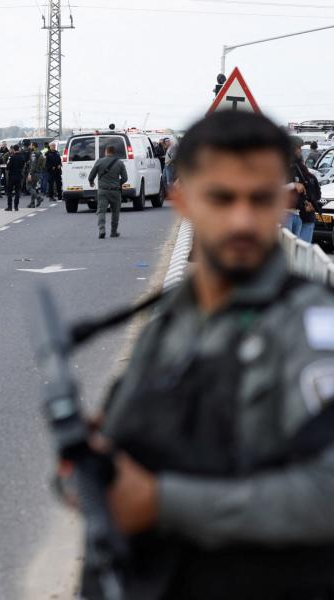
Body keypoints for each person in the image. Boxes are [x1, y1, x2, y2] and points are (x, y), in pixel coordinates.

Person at [76, 109, 334, 599]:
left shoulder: (312, 328)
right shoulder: (174, 317)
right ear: (182, 200)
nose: (242, 219)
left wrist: (160, 504)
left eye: (259, 199)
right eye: (221, 198)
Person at [88, 144, 127, 239]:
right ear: (114, 153)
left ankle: (102, 230)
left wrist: (91, 182)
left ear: (106, 151)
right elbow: (125, 178)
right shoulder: (119, 163)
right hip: (115, 191)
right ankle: (113, 232)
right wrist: (118, 183)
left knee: (101, 211)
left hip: (102, 191)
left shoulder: (99, 162)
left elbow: (91, 176)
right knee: (115, 212)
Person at [290, 137, 321, 243]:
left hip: (305, 216)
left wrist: (312, 204)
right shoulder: (290, 169)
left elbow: (316, 193)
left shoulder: (309, 175)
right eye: (298, 148)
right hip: (295, 213)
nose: (300, 150)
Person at [5, 143, 28, 212]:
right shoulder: (22, 157)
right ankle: (16, 207)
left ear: (13, 150)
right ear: (19, 149)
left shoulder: (11, 157)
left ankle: (9, 207)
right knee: (17, 192)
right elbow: (23, 166)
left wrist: (8, 163)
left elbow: (8, 167)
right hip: (19, 175)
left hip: (12, 176)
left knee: (9, 192)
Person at [25, 142, 47, 209]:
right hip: (38, 172)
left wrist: (30, 173)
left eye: (31, 145)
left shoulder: (34, 153)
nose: (30, 146)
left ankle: (38, 198)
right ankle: (32, 204)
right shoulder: (40, 152)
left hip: (33, 173)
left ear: (34, 146)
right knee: (33, 188)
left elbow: (33, 164)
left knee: (28, 187)